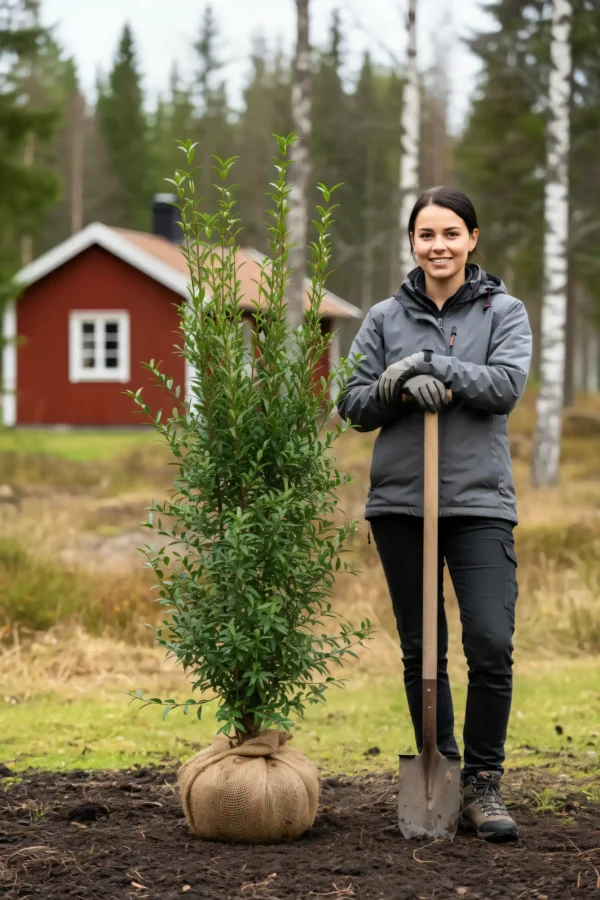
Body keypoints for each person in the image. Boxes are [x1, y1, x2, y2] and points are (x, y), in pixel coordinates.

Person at [336, 187, 532, 843]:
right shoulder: (384, 316)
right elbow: (354, 402)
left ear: (473, 238)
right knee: (424, 651)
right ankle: (438, 769)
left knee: (491, 643)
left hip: (478, 503)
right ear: (412, 242)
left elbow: (505, 385)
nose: (438, 245)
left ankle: (484, 784)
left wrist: (431, 364)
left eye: (451, 233)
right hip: (401, 504)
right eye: (426, 235)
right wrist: (393, 382)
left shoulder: (504, 311)